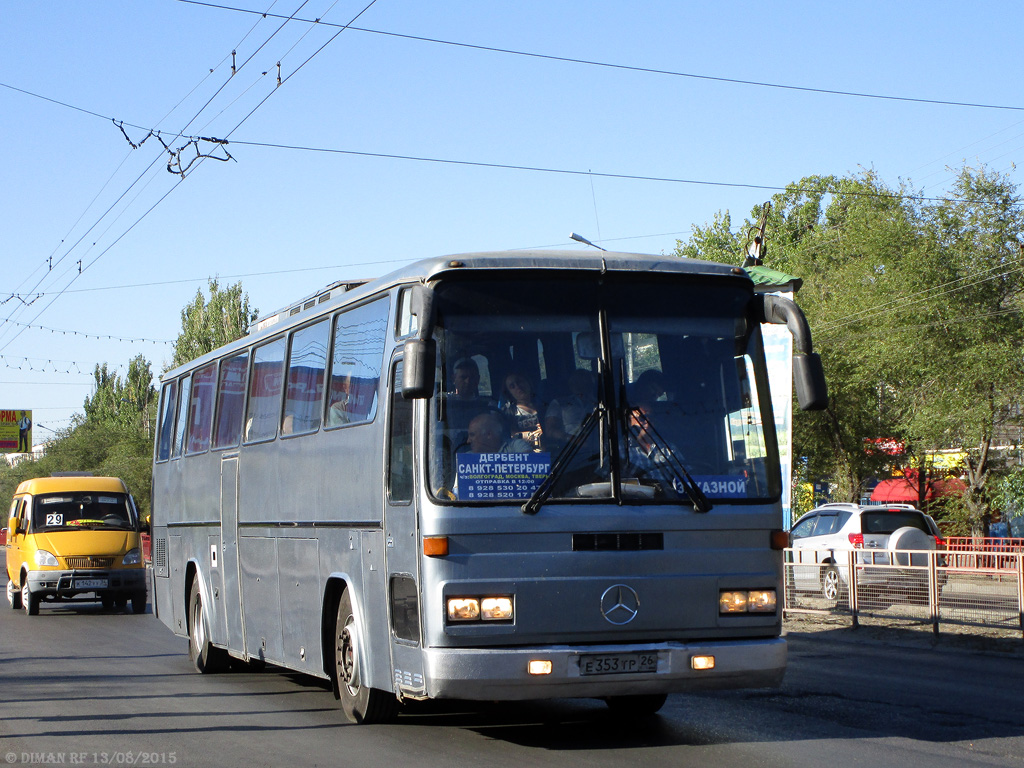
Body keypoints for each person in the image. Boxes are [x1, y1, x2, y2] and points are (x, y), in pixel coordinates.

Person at [544, 369, 596, 446]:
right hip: (570, 451)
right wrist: (572, 439)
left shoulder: (602, 404)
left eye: (586, 382)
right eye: (576, 382)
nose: (581, 385)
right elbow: (550, 431)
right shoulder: (559, 403)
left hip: (601, 447)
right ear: (571, 385)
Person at [501, 372, 543, 448]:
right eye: (512, 386)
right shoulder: (508, 413)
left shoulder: (545, 407)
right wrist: (532, 436)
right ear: (509, 393)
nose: (518, 387)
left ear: (528, 382)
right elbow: (510, 436)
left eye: (519, 382)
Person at [463, 411, 532, 454]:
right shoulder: (468, 458)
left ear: (489, 435)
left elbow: (530, 464)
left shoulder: (516, 446)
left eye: (472, 435)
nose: (468, 441)